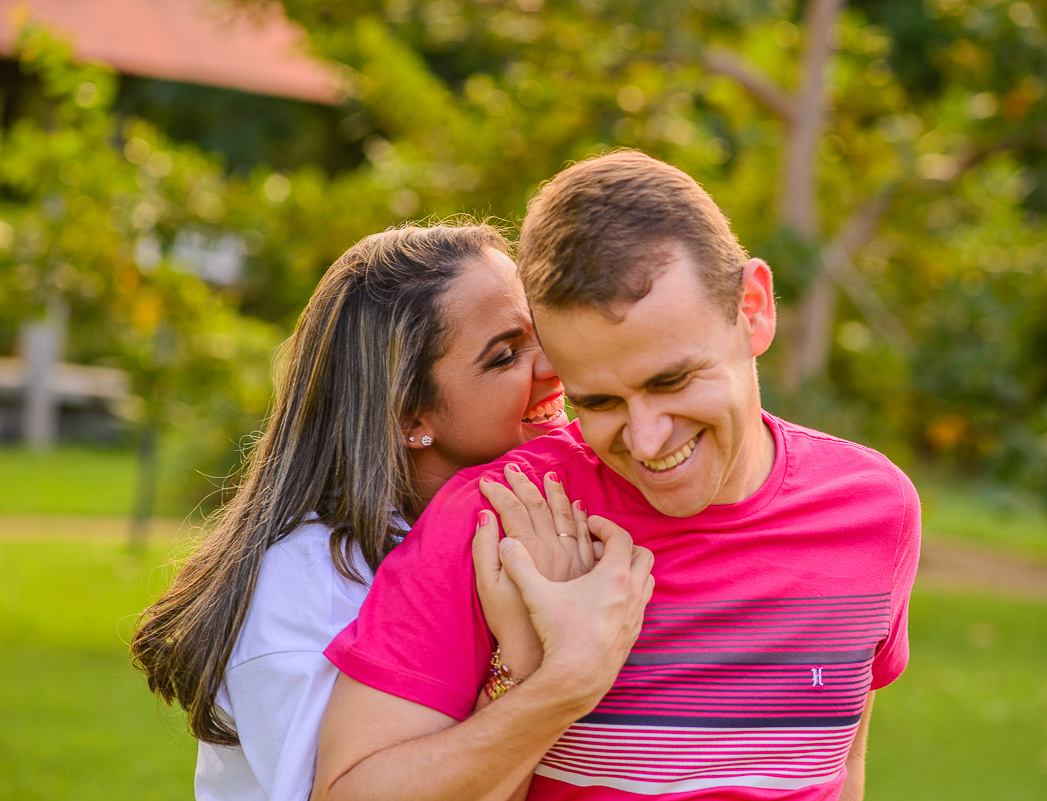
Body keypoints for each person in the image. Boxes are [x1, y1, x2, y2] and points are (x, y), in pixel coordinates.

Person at [313, 150, 921, 801]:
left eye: (673, 379)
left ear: (753, 307)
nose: (648, 437)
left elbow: (836, 760)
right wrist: (562, 685)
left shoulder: (875, 510)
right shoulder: (502, 515)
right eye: (599, 401)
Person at [128, 222, 648, 801]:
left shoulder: (530, 516)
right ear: (411, 418)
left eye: (542, 332)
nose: (554, 364)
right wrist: (526, 664)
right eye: (505, 356)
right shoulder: (309, 589)